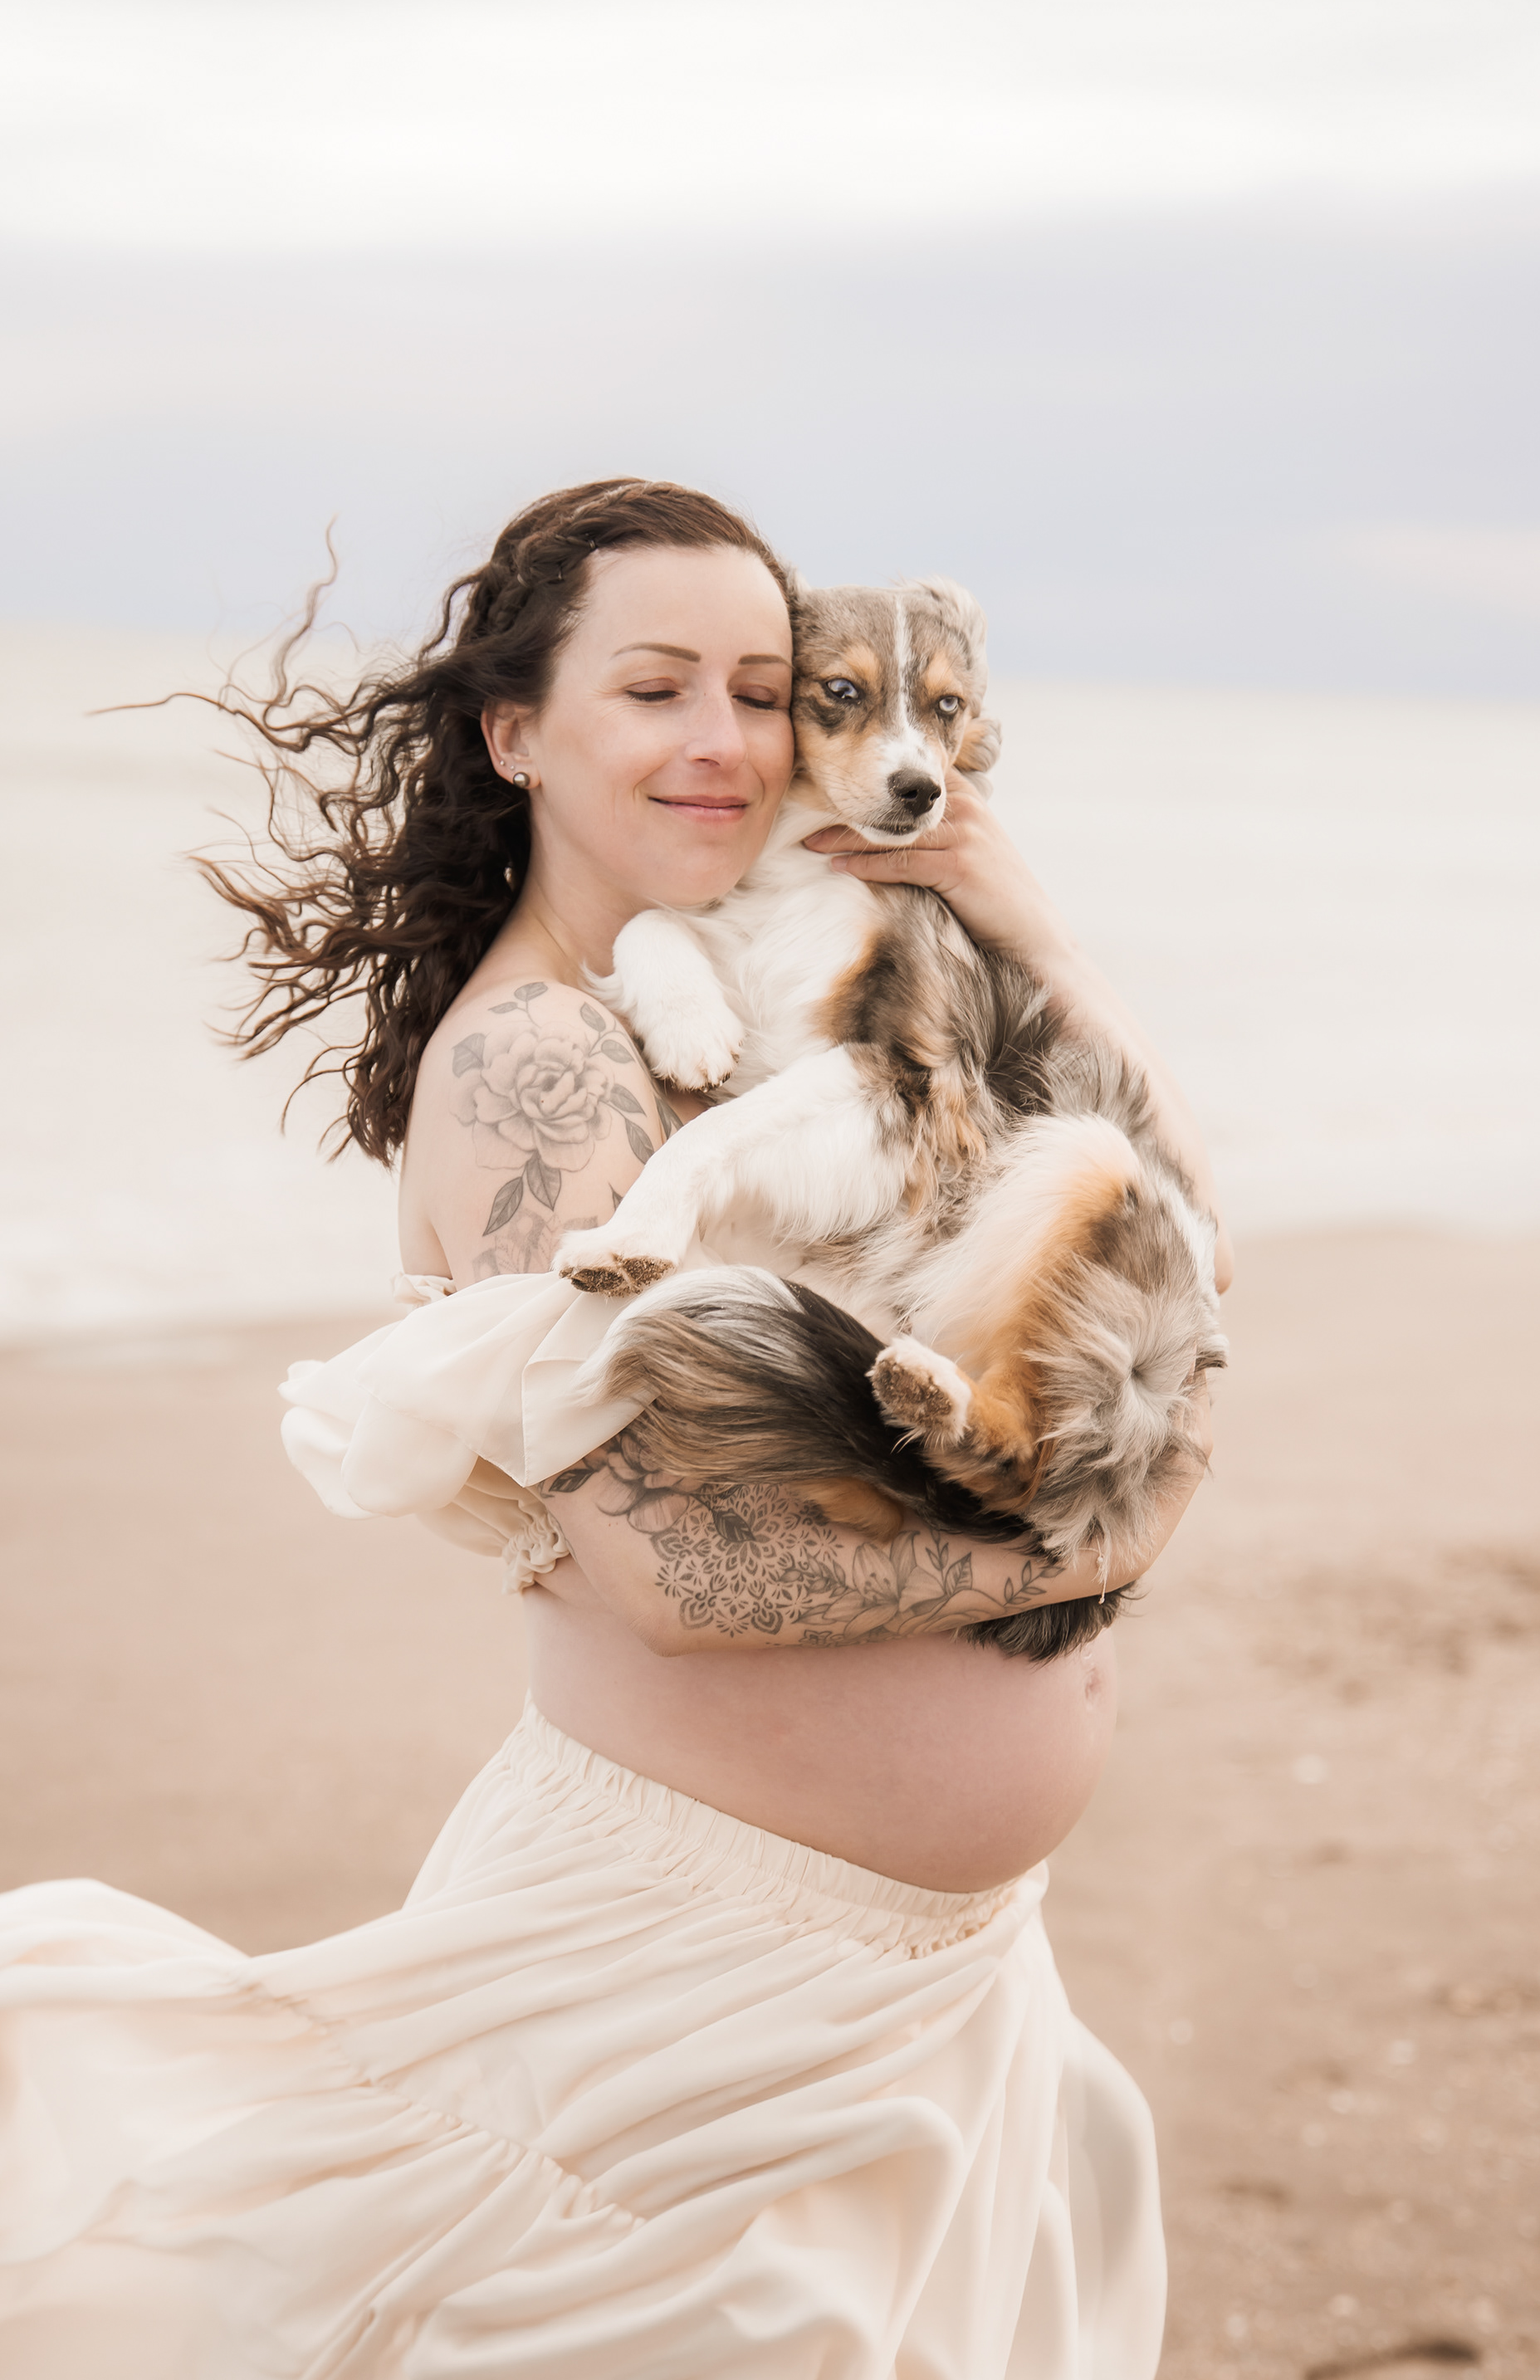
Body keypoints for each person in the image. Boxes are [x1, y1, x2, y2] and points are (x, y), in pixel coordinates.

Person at [0, 478, 1230, 2378]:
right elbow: (680, 1565)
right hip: (694, 1993)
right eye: (657, 689)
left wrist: (1022, 920)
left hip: (910, 1977)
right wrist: (1106, 1527)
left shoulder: (747, 1019)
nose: (730, 741)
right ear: (518, 733)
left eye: (766, 686)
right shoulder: (546, 1069)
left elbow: (1167, 1217)